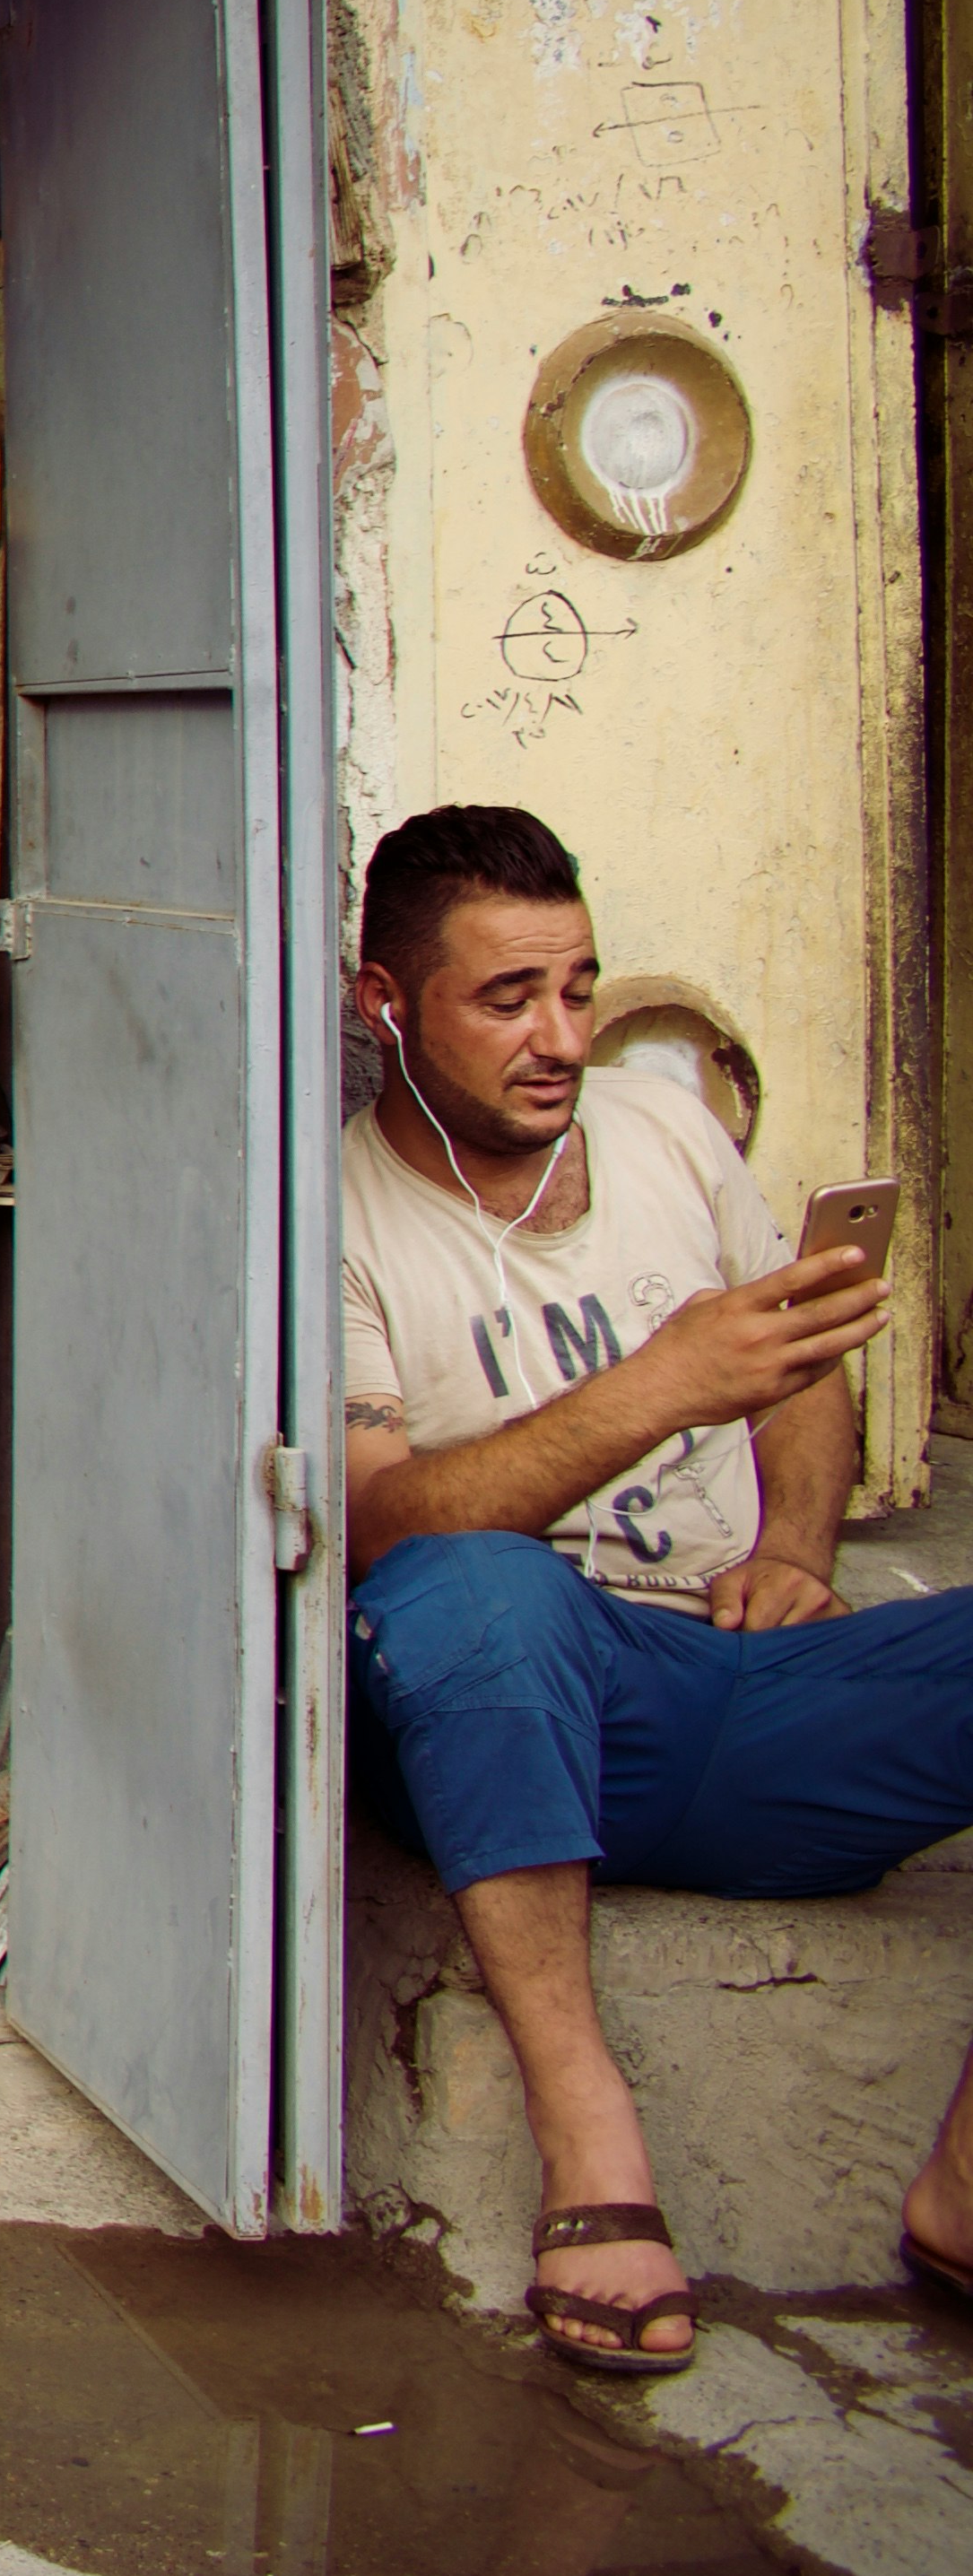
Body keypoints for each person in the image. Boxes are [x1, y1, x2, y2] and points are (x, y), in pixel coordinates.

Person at [336, 802, 972, 2375]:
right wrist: (660, 1384)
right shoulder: (334, 1214)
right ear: (386, 1006)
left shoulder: (664, 1124)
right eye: (508, 999)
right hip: (532, 1706)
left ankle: (966, 2184)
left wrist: (798, 1548)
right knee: (469, 1586)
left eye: (579, 987)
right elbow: (375, 1530)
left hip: (750, 1686)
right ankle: (596, 2148)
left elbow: (794, 1362)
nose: (560, 1038)